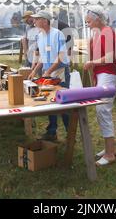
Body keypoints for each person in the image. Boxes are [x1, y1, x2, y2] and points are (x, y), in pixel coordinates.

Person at [84, 6, 116, 166]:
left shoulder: (108, 32)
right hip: (101, 75)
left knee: (102, 110)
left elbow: (111, 56)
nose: (88, 24)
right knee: (102, 111)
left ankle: (110, 153)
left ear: (98, 19)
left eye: (89, 21)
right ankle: (109, 148)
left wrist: (93, 62)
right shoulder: (98, 33)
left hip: (108, 75)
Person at [28, 10, 70, 141]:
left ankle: (70, 131)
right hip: (48, 72)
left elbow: (61, 57)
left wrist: (48, 71)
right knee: (49, 102)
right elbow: (43, 57)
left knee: (63, 103)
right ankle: (52, 132)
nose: (34, 21)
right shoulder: (40, 36)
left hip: (60, 72)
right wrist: (34, 71)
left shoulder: (58, 34)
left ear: (45, 21)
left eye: (37, 19)